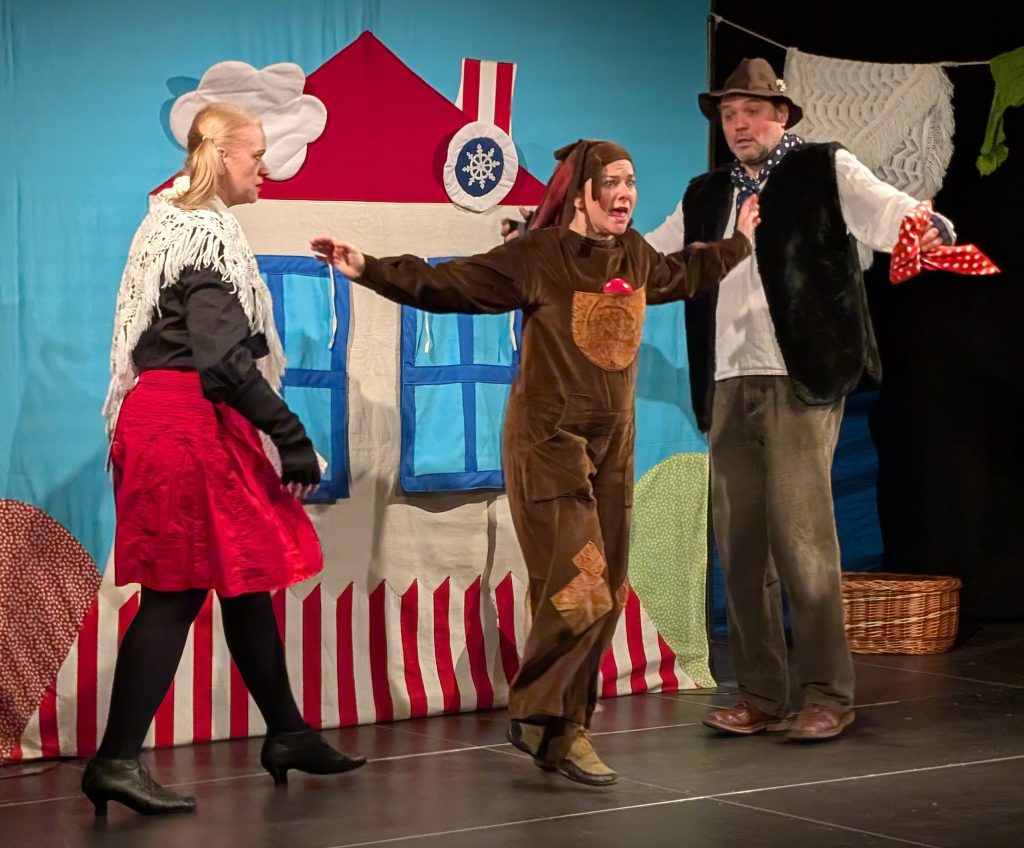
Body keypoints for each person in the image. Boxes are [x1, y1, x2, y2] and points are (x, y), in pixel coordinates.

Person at [311, 140, 758, 786]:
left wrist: (739, 243)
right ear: (581, 193)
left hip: (612, 453)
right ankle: (538, 713)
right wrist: (368, 269)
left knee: (606, 594)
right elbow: (451, 284)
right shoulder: (539, 257)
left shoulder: (633, 256)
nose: (625, 194)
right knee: (581, 586)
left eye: (632, 181)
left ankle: (562, 729)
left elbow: (684, 272)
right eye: (612, 182)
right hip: (547, 446)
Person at [645, 58, 956, 741]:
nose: (739, 125)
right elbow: (653, 260)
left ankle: (826, 695)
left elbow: (888, 210)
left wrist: (927, 226)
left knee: (803, 540)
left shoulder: (822, 167)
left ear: (781, 115)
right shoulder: (706, 194)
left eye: (752, 112)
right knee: (741, 547)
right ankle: (760, 695)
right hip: (727, 382)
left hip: (800, 377)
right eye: (729, 115)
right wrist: (579, 260)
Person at [83, 103, 365, 816]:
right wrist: (290, 436)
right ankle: (115, 760)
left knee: (240, 580)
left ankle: (288, 733)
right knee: (176, 592)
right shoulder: (204, 236)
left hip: (175, 417)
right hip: (183, 424)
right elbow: (222, 364)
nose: (264, 168)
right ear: (221, 157)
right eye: (255, 156)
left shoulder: (172, 222)